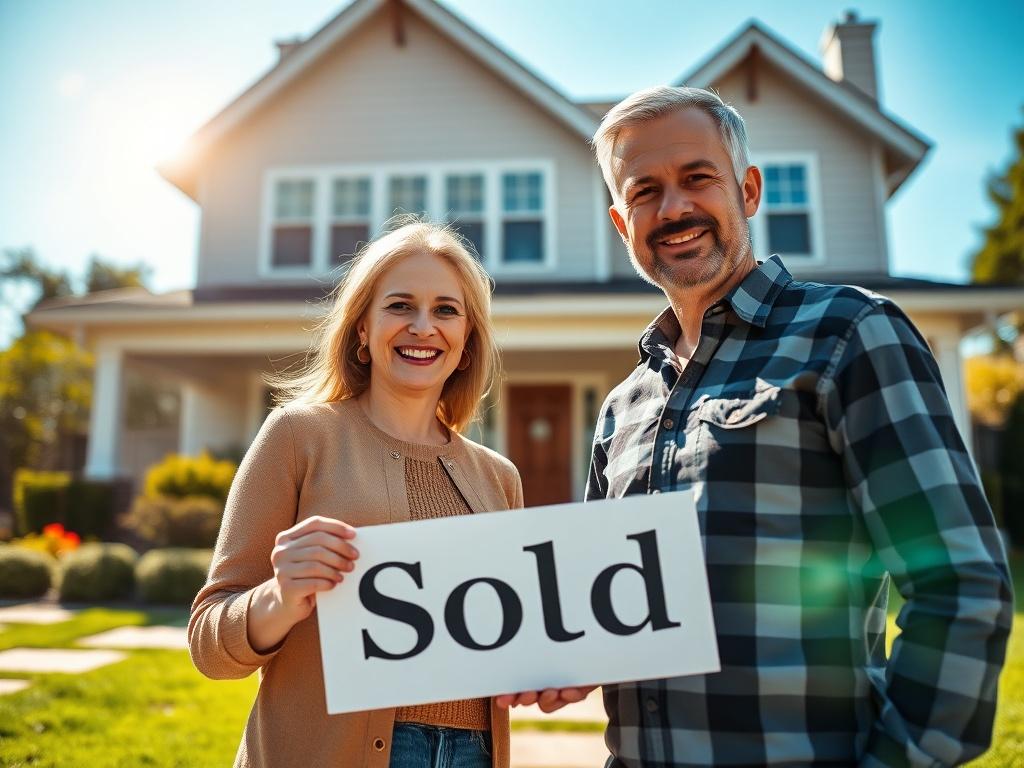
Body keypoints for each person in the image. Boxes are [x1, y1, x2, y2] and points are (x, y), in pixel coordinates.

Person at [580, 86, 1013, 767]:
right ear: (620, 222)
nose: (675, 208)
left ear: (749, 190)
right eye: (644, 192)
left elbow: (961, 585)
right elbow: (601, 618)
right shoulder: (622, 409)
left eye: (698, 178)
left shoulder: (849, 334)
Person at [189, 221, 524, 768]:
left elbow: (506, 642)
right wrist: (280, 597)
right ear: (363, 330)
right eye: (399, 306)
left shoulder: (498, 477)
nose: (423, 326)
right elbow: (209, 645)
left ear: (466, 342)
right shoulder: (297, 437)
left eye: (446, 310)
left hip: (473, 755)